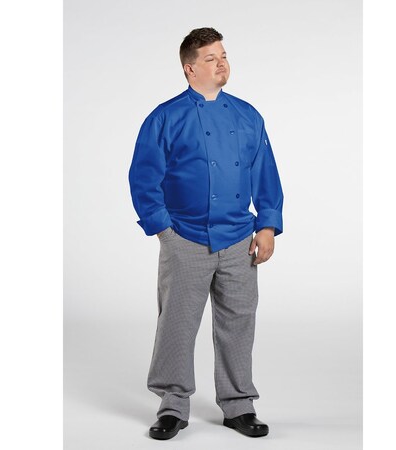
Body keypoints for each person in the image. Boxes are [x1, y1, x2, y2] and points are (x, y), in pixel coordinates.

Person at [128, 27, 284, 440]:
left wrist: (267, 225)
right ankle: (172, 405)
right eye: (211, 58)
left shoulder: (248, 116)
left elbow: (265, 173)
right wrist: (165, 233)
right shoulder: (165, 117)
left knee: (238, 324)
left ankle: (239, 405)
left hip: (239, 239)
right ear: (190, 68)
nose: (221, 63)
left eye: (224, 55)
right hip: (186, 237)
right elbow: (144, 178)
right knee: (177, 325)